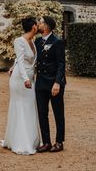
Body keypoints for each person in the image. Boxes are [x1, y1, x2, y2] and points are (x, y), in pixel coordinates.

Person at [1, 17, 40, 155]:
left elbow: (19, 58)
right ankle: (20, 142)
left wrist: (12, 66)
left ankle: (31, 139)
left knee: (29, 106)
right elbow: (21, 61)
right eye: (37, 24)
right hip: (20, 79)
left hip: (30, 77)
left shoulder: (33, 42)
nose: (39, 26)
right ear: (33, 27)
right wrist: (25, 79)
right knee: (21, 106)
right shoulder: (19, 41)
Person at [34, 15, 66, 153]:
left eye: (40, 22)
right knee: (42, 113)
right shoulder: (37, 41)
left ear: (46, 26)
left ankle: (59, 142)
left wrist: (57, 83)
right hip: (40, 82)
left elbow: (61, 64)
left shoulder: (57, 41)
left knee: (58, 113)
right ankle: (46, 142)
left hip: (54, 83)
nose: (38, 24)